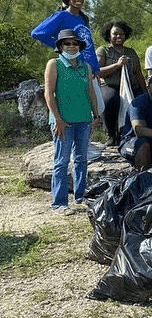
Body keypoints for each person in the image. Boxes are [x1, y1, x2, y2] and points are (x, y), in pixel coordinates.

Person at [43, 29, 100, 215]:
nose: (72, 46)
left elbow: (91, 92)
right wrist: (57, 119)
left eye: (75, 43)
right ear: (60, 46)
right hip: (63, 122)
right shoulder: (54, 64)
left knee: (81, 160)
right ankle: (59, 203)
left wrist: (96, 115)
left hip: (84, 120)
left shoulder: (85, 66)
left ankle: (80, 196)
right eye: (67, 43)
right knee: (61, 162)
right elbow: (48, 94)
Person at [32, 0, 100, 76]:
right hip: (74, 69)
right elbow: (37, 33)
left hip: (90, 70)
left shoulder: (83, 18)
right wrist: (62, 47)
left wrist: (96, 69)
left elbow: (89, 46)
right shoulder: (61, 16)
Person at [96, 21, 148, 145]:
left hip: (132, 86)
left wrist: (145, 91)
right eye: (115, 34)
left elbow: (139, 73)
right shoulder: (103, 51)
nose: (118, 36)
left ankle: (135, 133)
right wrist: (117, 65)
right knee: (110, 100)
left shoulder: (131, 52)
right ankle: (111, 134)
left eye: (122, 34)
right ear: (109, 35)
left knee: (141, 101)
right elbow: (97, 71)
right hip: (111, 86)